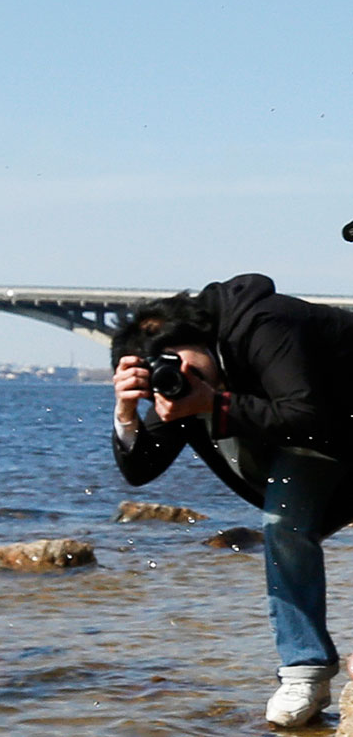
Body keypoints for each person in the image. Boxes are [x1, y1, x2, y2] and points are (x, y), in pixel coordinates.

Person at [111, 272, 353, 728]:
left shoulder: (265, 322)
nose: (177, 376)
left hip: (339, 422)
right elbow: (140, 471)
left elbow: (308, 414)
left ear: (197, 335)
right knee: (284, 523)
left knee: (283, 523)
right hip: (318, 442)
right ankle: (306, 672)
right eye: (159, 371)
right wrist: (126, 414)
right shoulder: (183, 385)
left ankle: (304, 672)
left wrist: (214, 404)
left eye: (175, 360)